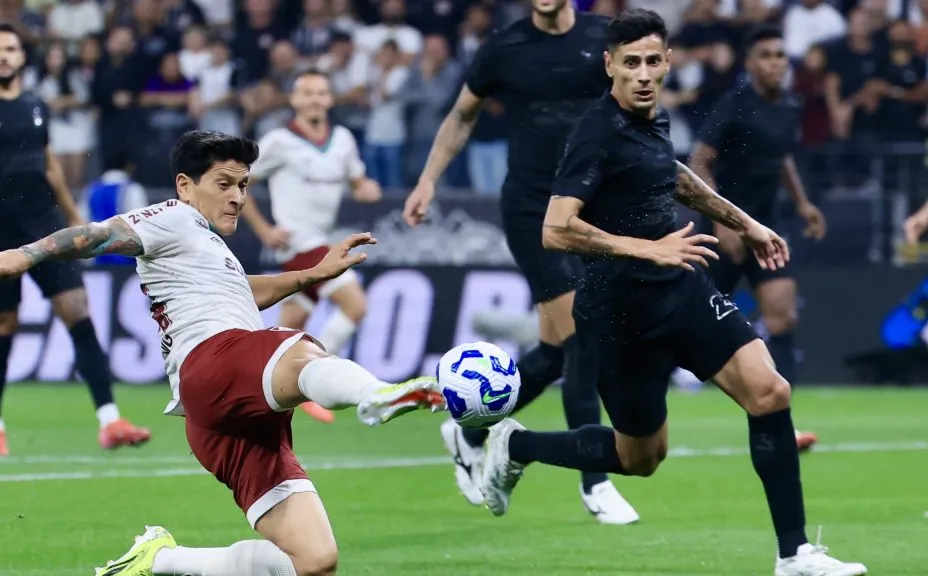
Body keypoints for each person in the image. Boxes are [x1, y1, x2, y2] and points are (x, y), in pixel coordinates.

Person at [479, 11, 867, 575]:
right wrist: (646, 248)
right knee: (640, 459)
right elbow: (555, 229)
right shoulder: (595, 132)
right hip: (621, 316)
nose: (642, 74)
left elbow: (675, 176)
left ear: (666, 63)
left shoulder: (654, 118)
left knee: (769, 392)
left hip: (682, 290)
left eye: (652, 62)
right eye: (630, 63)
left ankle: (795, 555)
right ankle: (515, 447)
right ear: (609, 65)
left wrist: (746, 223)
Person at [0, 130, 444, 576]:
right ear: (185, 185)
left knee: (314, 561)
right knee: (298, 348)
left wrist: (312, 274)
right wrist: (25, 254)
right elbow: (97, 236)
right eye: (224, 184)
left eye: (243, 185)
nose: (237, 196)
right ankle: (377, 394)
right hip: (214, 365)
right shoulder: (173, 217)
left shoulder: (206, 246)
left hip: (222, 418)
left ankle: (162, 560)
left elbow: (243, 291)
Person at [402, 0, 638, 524]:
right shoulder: (504, 48)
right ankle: (595, 482)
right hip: (533, 211)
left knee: (555, 355)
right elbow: (462, 115)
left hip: (590, 207)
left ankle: (467, 430)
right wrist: (428, 180)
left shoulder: (604, 39)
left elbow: (630, 108)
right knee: (583, 339)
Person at [0, 23, 150, 456]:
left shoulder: (35, 105)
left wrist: (76, 219)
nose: (3, 56)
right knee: (2, 327)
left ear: (22, 56)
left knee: (77, 312)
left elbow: (48, 165)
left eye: (10, 48)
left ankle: (110, 420)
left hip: (46, 230)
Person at [689, 24, 824, 453]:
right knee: (692, 318)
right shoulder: (734, 105)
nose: (776, 63)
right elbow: (699, 163)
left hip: (767, 228)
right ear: (750, 63)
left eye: (781, 55)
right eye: (766, 55)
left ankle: (783, 422)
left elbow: (781, 157)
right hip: (726, 230)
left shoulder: (790, 105)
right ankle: (657, 388)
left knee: (783, 319)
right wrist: (724, 221)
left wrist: (802, 202)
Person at [239, 70, 383, 425]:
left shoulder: (343, 139)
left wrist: (366, 189)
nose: (315, 99)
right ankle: (315, 377)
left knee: (288, 328)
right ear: (294, 100)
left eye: (321, 93)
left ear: (330, 99)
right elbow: (240, 182)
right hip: (299, 243)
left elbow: (357, 181)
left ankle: (250, 389)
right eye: (308, 93)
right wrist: (264, 229)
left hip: (322, 238)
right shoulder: (279, 141)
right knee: (356, 305)